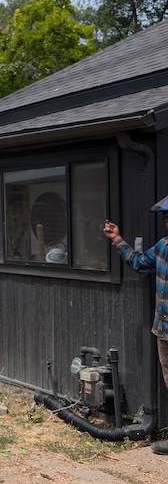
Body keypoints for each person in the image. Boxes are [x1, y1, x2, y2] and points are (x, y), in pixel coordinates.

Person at [104, 195, 168, 454]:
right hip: (163, 329)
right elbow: (139, 263)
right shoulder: (163, 247)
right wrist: (117, 239)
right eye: (166, 218)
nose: (167, 222)